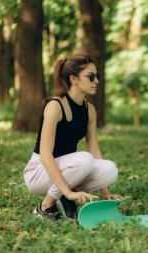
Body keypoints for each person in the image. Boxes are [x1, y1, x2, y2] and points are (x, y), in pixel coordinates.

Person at [23, 54, 121, 221]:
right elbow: (46, 156)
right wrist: (68, 192)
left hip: (68, 169)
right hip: (38, 172)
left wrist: (105, 192)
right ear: (73, 79)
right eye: (91, 77)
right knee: (85, 159)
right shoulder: (55, 106)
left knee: (110, 169)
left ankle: (62, 194)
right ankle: (45, 206)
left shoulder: (89, 110)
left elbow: (94, 148)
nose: (96, 81)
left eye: (97, 76)